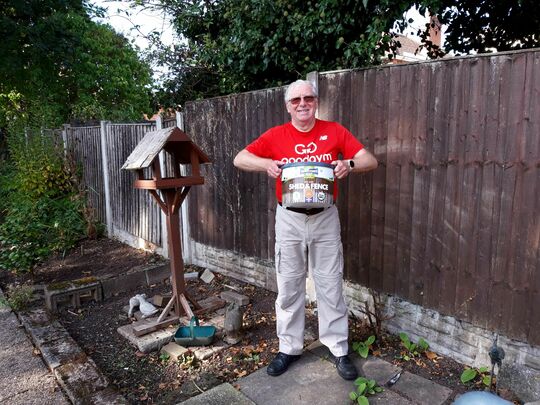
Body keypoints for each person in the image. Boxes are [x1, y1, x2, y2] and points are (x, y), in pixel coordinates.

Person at [233, 79, 378, 380]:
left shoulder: (334, 131)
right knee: (289, 285)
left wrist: (348, 164)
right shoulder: (275, 135)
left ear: (315, 102)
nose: (302, 103)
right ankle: (289, 347)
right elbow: (240, 158)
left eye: (308, 98)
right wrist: (267, 165)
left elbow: (369, 159)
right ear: (287, 106)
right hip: (289, 219)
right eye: (296, 99)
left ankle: (338, 349)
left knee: (330, 284)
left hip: (325, 217)